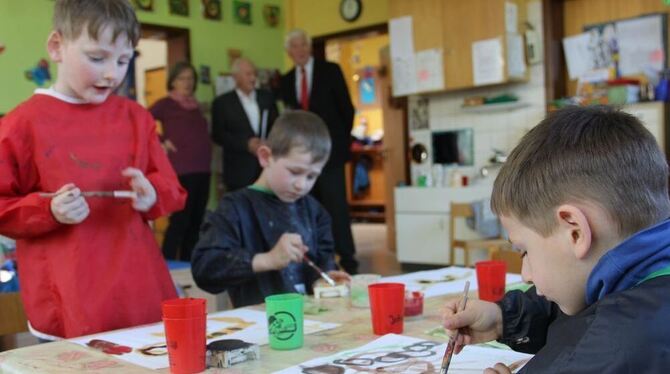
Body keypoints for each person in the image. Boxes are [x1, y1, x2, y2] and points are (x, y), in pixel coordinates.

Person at [0, 0, 186, 339]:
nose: (112, 73)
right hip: (67, 296)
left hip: (138, 288)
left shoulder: (136, 118)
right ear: (57, 47)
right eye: (97, 58)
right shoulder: (20, 125)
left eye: (123, 60)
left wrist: (152, 193)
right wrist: (48, 209)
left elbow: (171, 188)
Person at [442, 106, 670, 373]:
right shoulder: (643, 278)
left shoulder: (616, 346)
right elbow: (582, 309)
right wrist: (502, 318)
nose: (525, 274)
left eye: (524, 251)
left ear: (575, 231)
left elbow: (593, 334)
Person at [192, 111, 351, 307]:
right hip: (259, 328)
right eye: (295, 172)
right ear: (266, 157)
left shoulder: (316, 212)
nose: (302, 185)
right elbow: (205, 269)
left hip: (311, 324)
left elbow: (323, 263)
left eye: (311, 176)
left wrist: (325, 278)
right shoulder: (235, 208)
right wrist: (267, 260)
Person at [280, 29, 358, 274]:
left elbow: (348, 111)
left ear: (309, 47)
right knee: (310, 208)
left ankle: (349, 260)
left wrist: (338, 145)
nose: (300, 50)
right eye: (294, 46)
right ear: (289, 52)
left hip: (330, 155)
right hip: (302, 158)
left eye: (303, 45)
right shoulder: (285, 80)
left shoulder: (330, 70)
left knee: (336, 207)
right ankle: (320, 261)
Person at [150, 62, 211, 262]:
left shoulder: (197, 106)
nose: (187, 82)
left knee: (196, 222)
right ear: (173, 82)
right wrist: (161, 142)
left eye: (190, 78)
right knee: (179, 221)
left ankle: (188, 263)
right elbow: (142, 120)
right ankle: (167, 264)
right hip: (181, 171)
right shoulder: (166, 104)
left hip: (203, 169)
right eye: (182, 78)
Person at [211, 57, 278, 192]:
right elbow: (217, 135)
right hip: (238, 171)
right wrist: (245, 144)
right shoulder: (221, 103)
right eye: (248, 74)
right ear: (236, 77)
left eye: (254, 74)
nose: (253, 78)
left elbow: (277, 125)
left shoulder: (267, 97)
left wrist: (270, 141)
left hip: (266, 168)